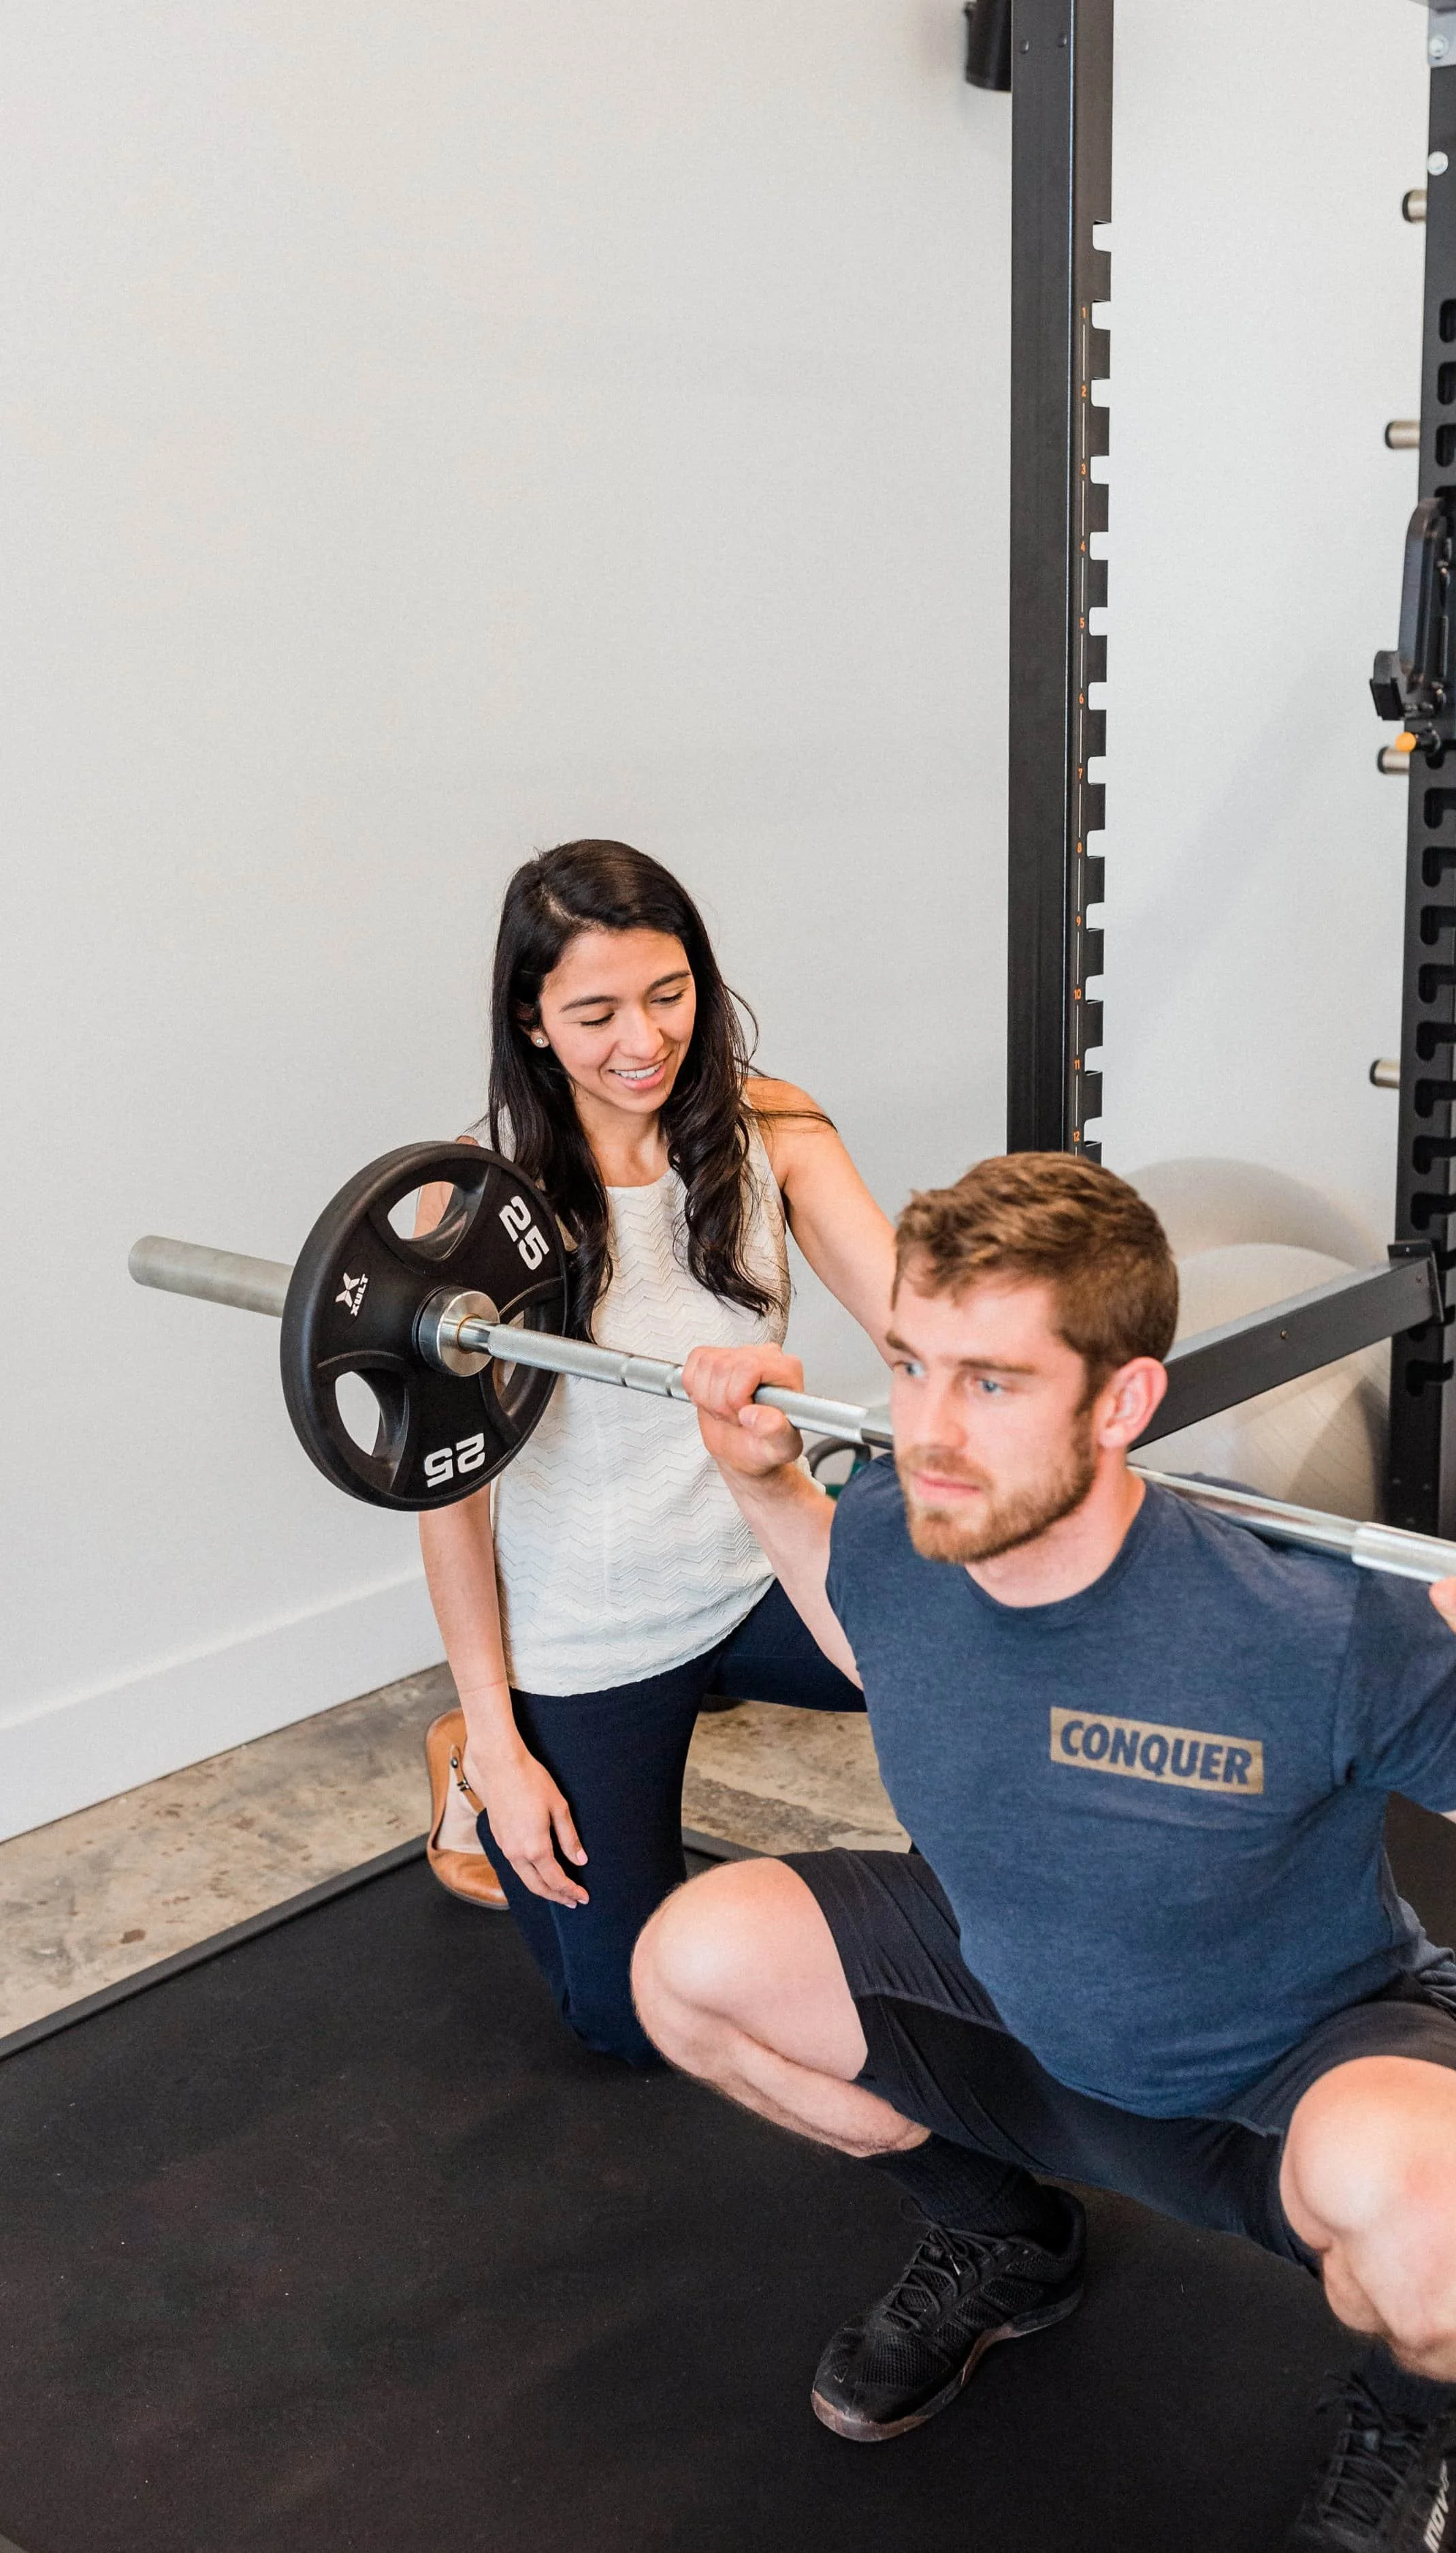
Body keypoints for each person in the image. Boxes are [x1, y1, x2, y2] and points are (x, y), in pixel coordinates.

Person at [630, 1152, 1456, 2550]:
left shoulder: (1309, 1626)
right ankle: (1003, 2233)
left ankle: (1410, 2412)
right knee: (688, 1966)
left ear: (1120, 1402)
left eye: (990, 1382)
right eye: (909, 1365)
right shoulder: (895, 1525)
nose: (929, 1428)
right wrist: (764, 1493)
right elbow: (867, 1631)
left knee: (1436, 2250)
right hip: (1005, 1997)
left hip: (1284, 2065)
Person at [419, 838, 894, 2068]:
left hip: (761, 1577)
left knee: (988, 1659)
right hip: (590, 1634)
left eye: (669, 992)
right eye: (595, 1011)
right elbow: (450, 1506)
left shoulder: (774, 1126)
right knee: (628, 2023)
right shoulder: (474, 1209)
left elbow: (913, 1319)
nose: (646, 1036)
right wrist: (502, 1739)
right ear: (530, 1019)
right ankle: (467, 1770)